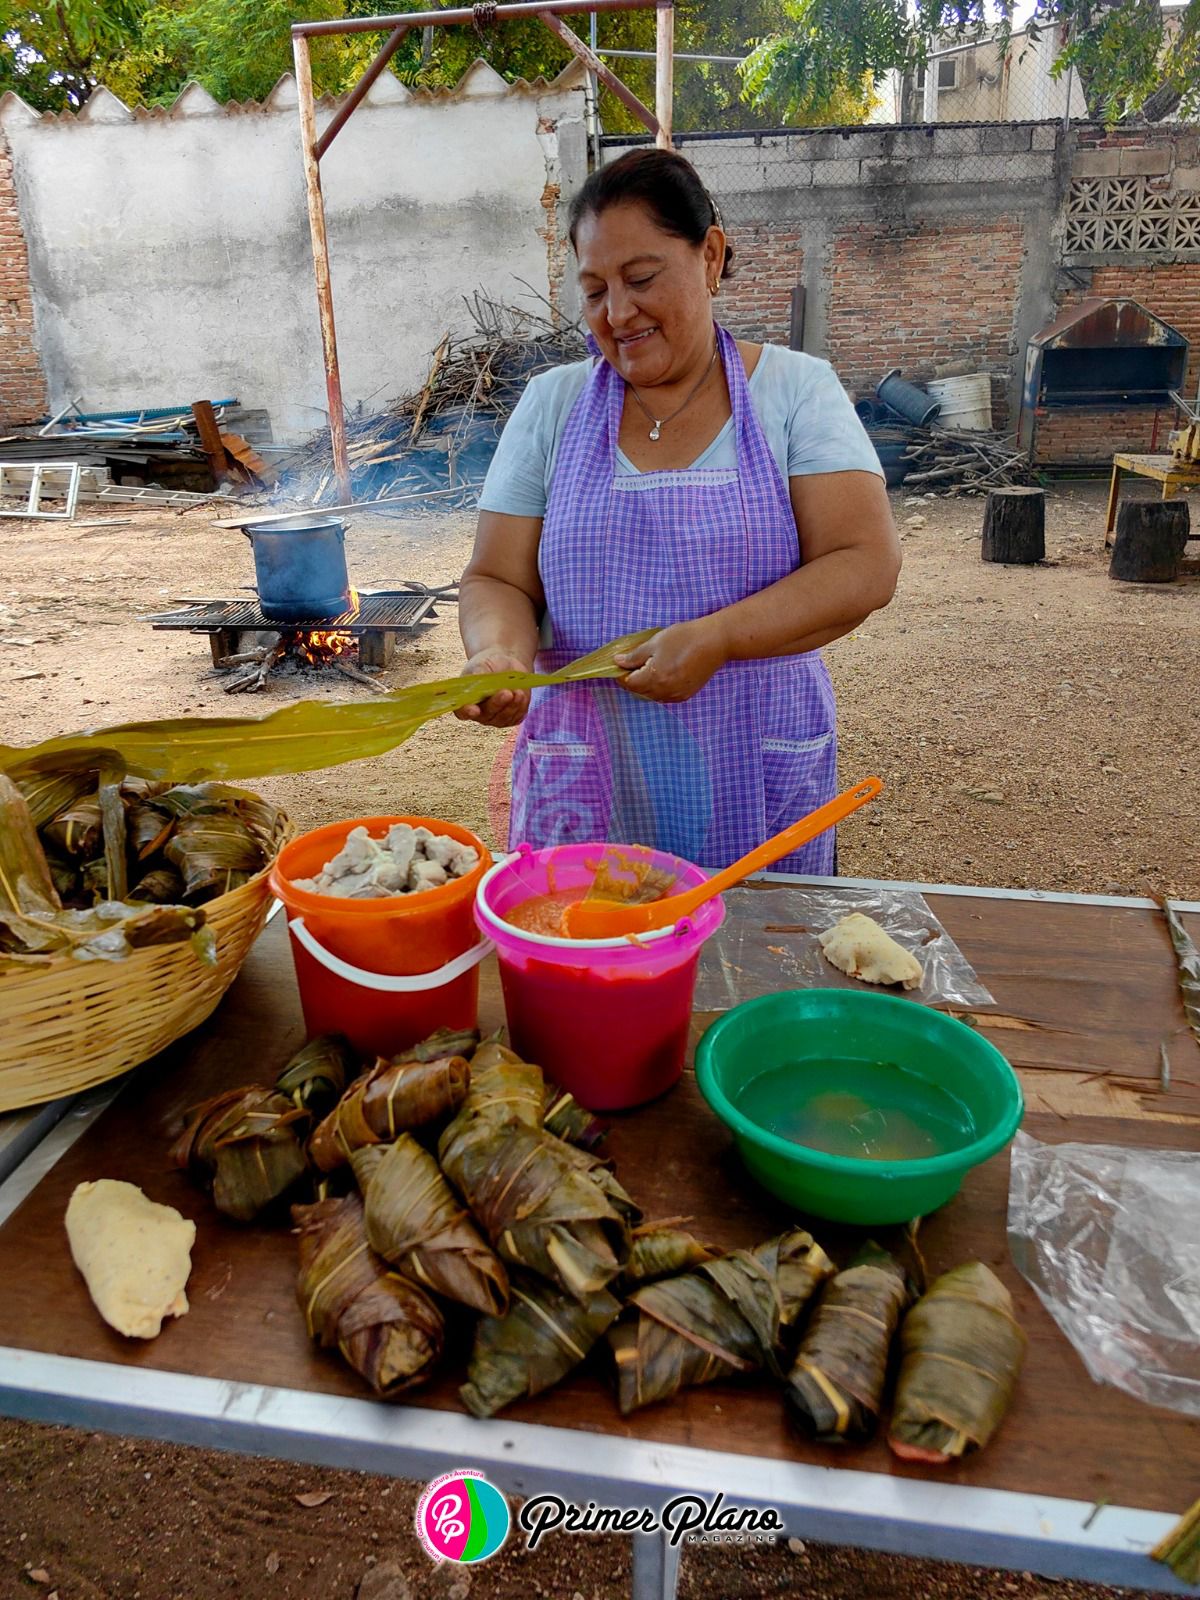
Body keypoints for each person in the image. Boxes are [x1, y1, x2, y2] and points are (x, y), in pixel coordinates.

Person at [455, 148, 900, 874]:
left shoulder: (795, 392)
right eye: (594, 290)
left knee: (749, 968)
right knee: (589, 960)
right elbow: (496, 578)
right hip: (587, 774)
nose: (618, 313)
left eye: (641, 279)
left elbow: (864, 564)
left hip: (753, 765)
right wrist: (498, 651)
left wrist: (720, 638)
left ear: (711, 256)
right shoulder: (552, 406)